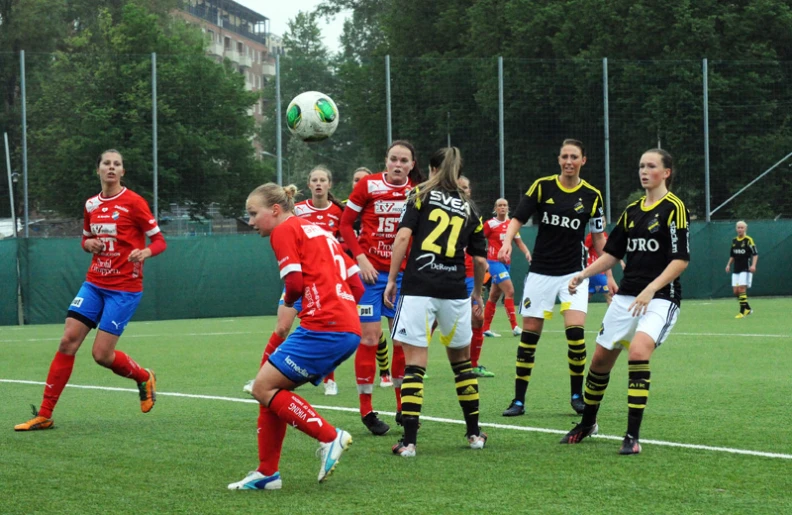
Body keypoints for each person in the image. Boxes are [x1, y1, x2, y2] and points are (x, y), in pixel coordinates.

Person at [14, 149, 166, 431]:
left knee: (101, 355)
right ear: (98, 170)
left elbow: (159, 241)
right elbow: (85, 240)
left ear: (123, 172)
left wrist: (145, 251)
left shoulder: (134, 202)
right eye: (106, 163)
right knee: (67, 341)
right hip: (95, 282)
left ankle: (144, 376)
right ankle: (45, 414)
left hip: (124, 289)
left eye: (117, 164)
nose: (111, 168)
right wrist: (89, 245)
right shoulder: (91, 205)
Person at [229, 183, 364, 490]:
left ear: (275, 210)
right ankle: (267, 474)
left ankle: (330, 437)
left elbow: (293, 282)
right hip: (345, 327)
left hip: (324, 326)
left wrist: (291, 302)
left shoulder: (284, 231)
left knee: (262, 387)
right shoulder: (320, 232)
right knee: (269, 389)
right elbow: (356, 286)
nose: (250, 222)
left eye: (253, 214)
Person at [560, 148, 690, 455]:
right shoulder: (631, 211)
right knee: (600, 361)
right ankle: (587, 424)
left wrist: (651, 289)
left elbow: (681, 259)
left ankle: (632, 437)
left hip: (660, 298)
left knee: (638, 351)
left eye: (651, 166)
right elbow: (613, 254)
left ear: (666, 172)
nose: (644, 171)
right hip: (627, 296)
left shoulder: (674, 208)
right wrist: (584, 274)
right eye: (641, 165)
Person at [384, 147, 488, 457]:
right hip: (454, 291)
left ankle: (410, 442)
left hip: (419, 287)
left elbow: (403, 237)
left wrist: (391, 279)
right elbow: (480, 260)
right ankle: (473, 434)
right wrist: (478, 295)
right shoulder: (470, 208)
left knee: (416, 363)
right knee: (462, 365)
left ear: (431, 170)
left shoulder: (419, 195)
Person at [499, 139, 613, 417]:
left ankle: (577, 396)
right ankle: (518, 400)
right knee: (529, 337)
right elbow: (517, 218)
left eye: (574, 156)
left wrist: (608, 274)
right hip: (540, 272)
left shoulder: (592, 195)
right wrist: (506, 241)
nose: (569, 161)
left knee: (575, 335)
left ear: (583, 160)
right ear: (559, 159)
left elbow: (599, 237)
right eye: (564, 156)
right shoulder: (542, 186)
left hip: (574, 274)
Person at [339, 140, 423, 436]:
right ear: (385, 161)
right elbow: (346, 224)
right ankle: (366, 411)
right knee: (370, 338)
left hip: (402, 277)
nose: (398, 165)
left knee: (401, 340)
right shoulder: (369, 186)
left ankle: (403, 408)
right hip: (371, 276)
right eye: (393, 159)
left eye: (404, 160)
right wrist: (360, 259)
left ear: (412, 165)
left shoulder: (418, 192)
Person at [243, 166, 345, 397]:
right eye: (314, 180)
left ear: (330, 184)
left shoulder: (338, 212)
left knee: (322, 329)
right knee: (282, 326)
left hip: (320, 283)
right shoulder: (294, 212)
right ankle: (262, 378)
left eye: (323, 180)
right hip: (297, 279)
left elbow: (342, 241)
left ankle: (330, 381)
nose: (319, 184)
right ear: (308, 184)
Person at [481, 199, 531, 338]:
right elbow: (478, 240)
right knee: (510, 291)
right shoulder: (490, 224)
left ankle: (485, 329)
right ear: (495, 208)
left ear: (508, 208)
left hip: (506, 264)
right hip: (494, 262)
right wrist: (483, 260)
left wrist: (527, 253)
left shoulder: (511, 225)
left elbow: (519, 242)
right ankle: (515, 327)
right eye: (499, 206)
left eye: (504, 206)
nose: (502, 208)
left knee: (494, 295)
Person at [457, 175, 491, 378]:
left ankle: (473, 364)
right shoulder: (439, 211)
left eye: (466, 188)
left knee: (478, 319)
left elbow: (479, 251)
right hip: (447, 274)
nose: (464, 191)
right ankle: (418, 365)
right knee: (433, 320)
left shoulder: (475, 216)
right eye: (459, 188)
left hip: (470, 275)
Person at [725, 221, 758, 318]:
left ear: (745, 229)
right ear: (736, 229)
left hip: (745, 269)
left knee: (741, 289)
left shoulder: (749, 240)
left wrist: (753, 265)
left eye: (742, 228)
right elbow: (732, 255)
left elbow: (755, 254)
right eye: (738, 227)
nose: (740, 229)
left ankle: (742, 311)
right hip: (736, 269)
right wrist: (728, 265)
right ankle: (747, 308)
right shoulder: (734, 241)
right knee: (736, 291)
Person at [584, 231, 623, 305]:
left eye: (603, 221)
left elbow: (609, 252)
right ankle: (614, 316)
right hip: (596, 270)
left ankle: (578, 311)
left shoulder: (605, 235)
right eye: (601, 221)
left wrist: (621, 261)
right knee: (610, 295)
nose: (602, 223)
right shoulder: (592, 235)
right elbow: (584, 249)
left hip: (599, 271)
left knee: (587, 296)